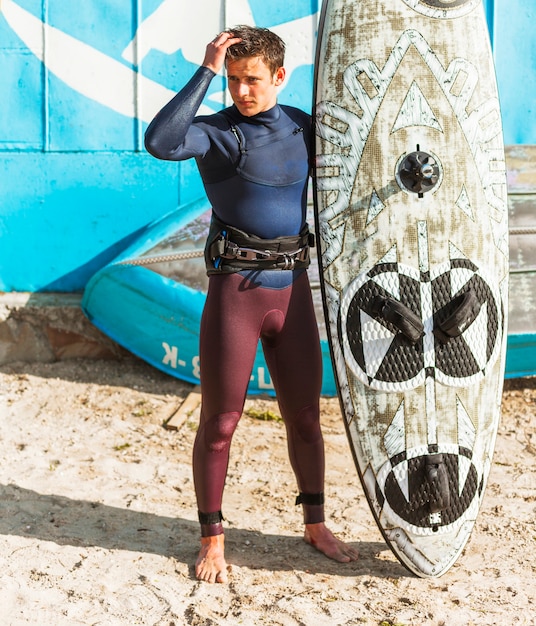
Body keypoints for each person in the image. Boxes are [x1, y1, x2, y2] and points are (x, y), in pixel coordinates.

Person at [145, 25, 358, 584]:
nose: (242, 92)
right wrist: (208, 68)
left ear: (280, 77)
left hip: (294, 291)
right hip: (236, 293)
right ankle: (212, 538)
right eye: (234, 81)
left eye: (253, 80)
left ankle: (315, 523)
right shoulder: (217, 134)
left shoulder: (303, 129)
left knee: (307, 418)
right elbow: (161, 142)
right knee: (220, 423)